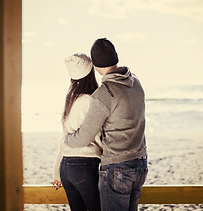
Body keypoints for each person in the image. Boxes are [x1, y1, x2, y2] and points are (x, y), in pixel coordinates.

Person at [65, 38, 148, 211]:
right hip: (140, 163)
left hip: (117, 167)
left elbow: (83, 137)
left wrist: (68, 140)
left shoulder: (103, 94)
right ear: (116, 58)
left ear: (95, 66)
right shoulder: (136, 84)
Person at [53, 53, 102, 211]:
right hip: (84, 164)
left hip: (66, 166)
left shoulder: (71, 99)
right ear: (90, 72)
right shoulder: (89, 100)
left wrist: (57, 172)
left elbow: (63, 138)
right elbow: (97, 135)